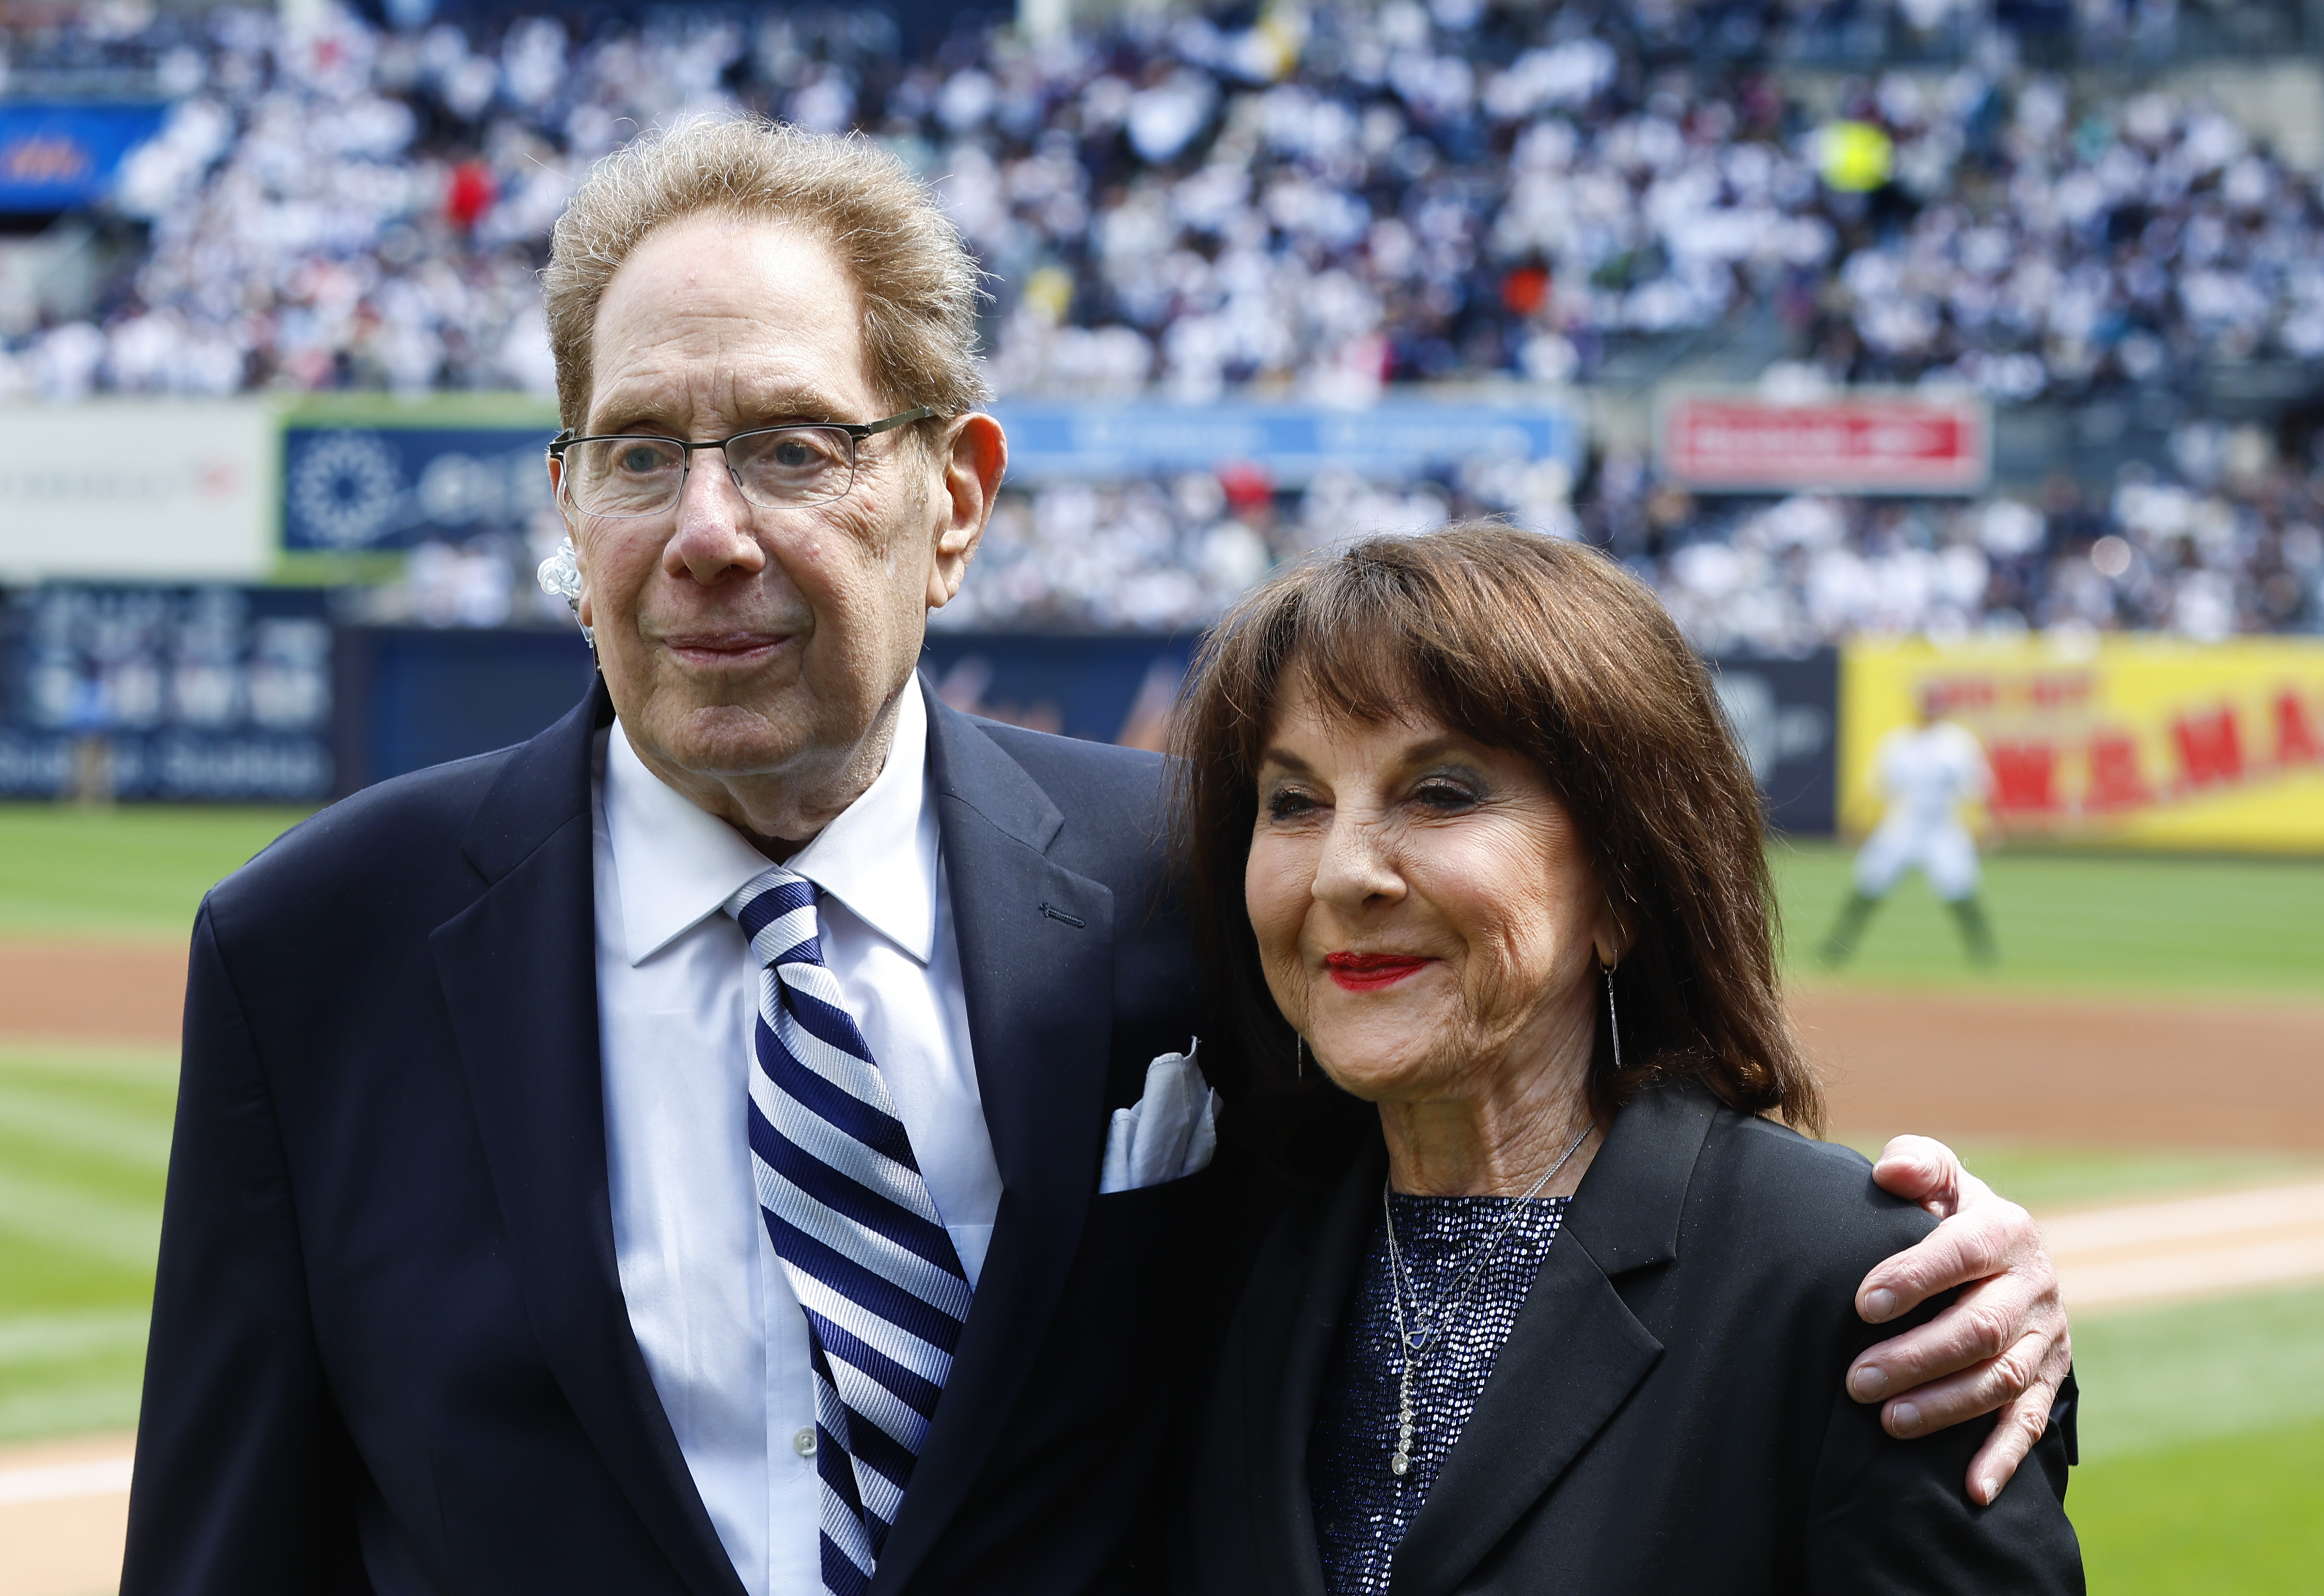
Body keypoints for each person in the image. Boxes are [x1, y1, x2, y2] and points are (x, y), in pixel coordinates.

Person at [124, 120, 2066, 1596]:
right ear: (566, 500)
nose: (703, 529)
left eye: (795, 449)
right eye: (639, 453)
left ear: (952, 498)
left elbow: (1556, 1146)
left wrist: (1932, 1265)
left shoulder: (1204, 888)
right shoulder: (320, 952)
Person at [1171, 525, 2081, 1594]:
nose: (1343, 872)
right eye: (1294, 802)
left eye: (1443, 793)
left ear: (1625, 885)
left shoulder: (1866, 1288)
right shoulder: (1214, 1247)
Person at [1824, 684, 1999, 967]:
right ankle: (1836, 947)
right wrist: (1856, 819)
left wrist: (1986, 822)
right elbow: (1878, 788)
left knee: (1961, 889)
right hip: (1902, 826)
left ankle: (1984, 952)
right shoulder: (1898, 743)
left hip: (1943, 829)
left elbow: (1977, 789)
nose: (1930, 712)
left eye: (1935, 706)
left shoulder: (1958, 744)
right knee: (1867, 885)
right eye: (1926, 706)